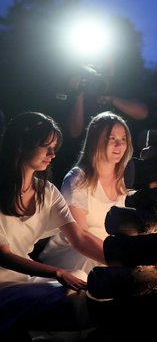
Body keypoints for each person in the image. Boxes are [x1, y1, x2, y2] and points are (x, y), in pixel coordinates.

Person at [0, 111, 106, 338]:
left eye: (55, 146)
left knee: (83, 277)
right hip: (2, 285)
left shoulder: (46, 191)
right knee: (69, 290)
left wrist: (118, 261)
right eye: (46, 146)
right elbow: (4, 255)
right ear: (21, 145)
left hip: (23, 280)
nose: (52, 153)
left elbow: (79, 237)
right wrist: (57, 272)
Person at [39, 111, 133, 278]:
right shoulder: (78, 178)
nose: (119, 145)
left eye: (123, 139)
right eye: (112, 139)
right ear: (96, 140)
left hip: (112, 252)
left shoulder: (125, 180)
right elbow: (80, 235)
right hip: (77, 252)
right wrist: (118, 259)